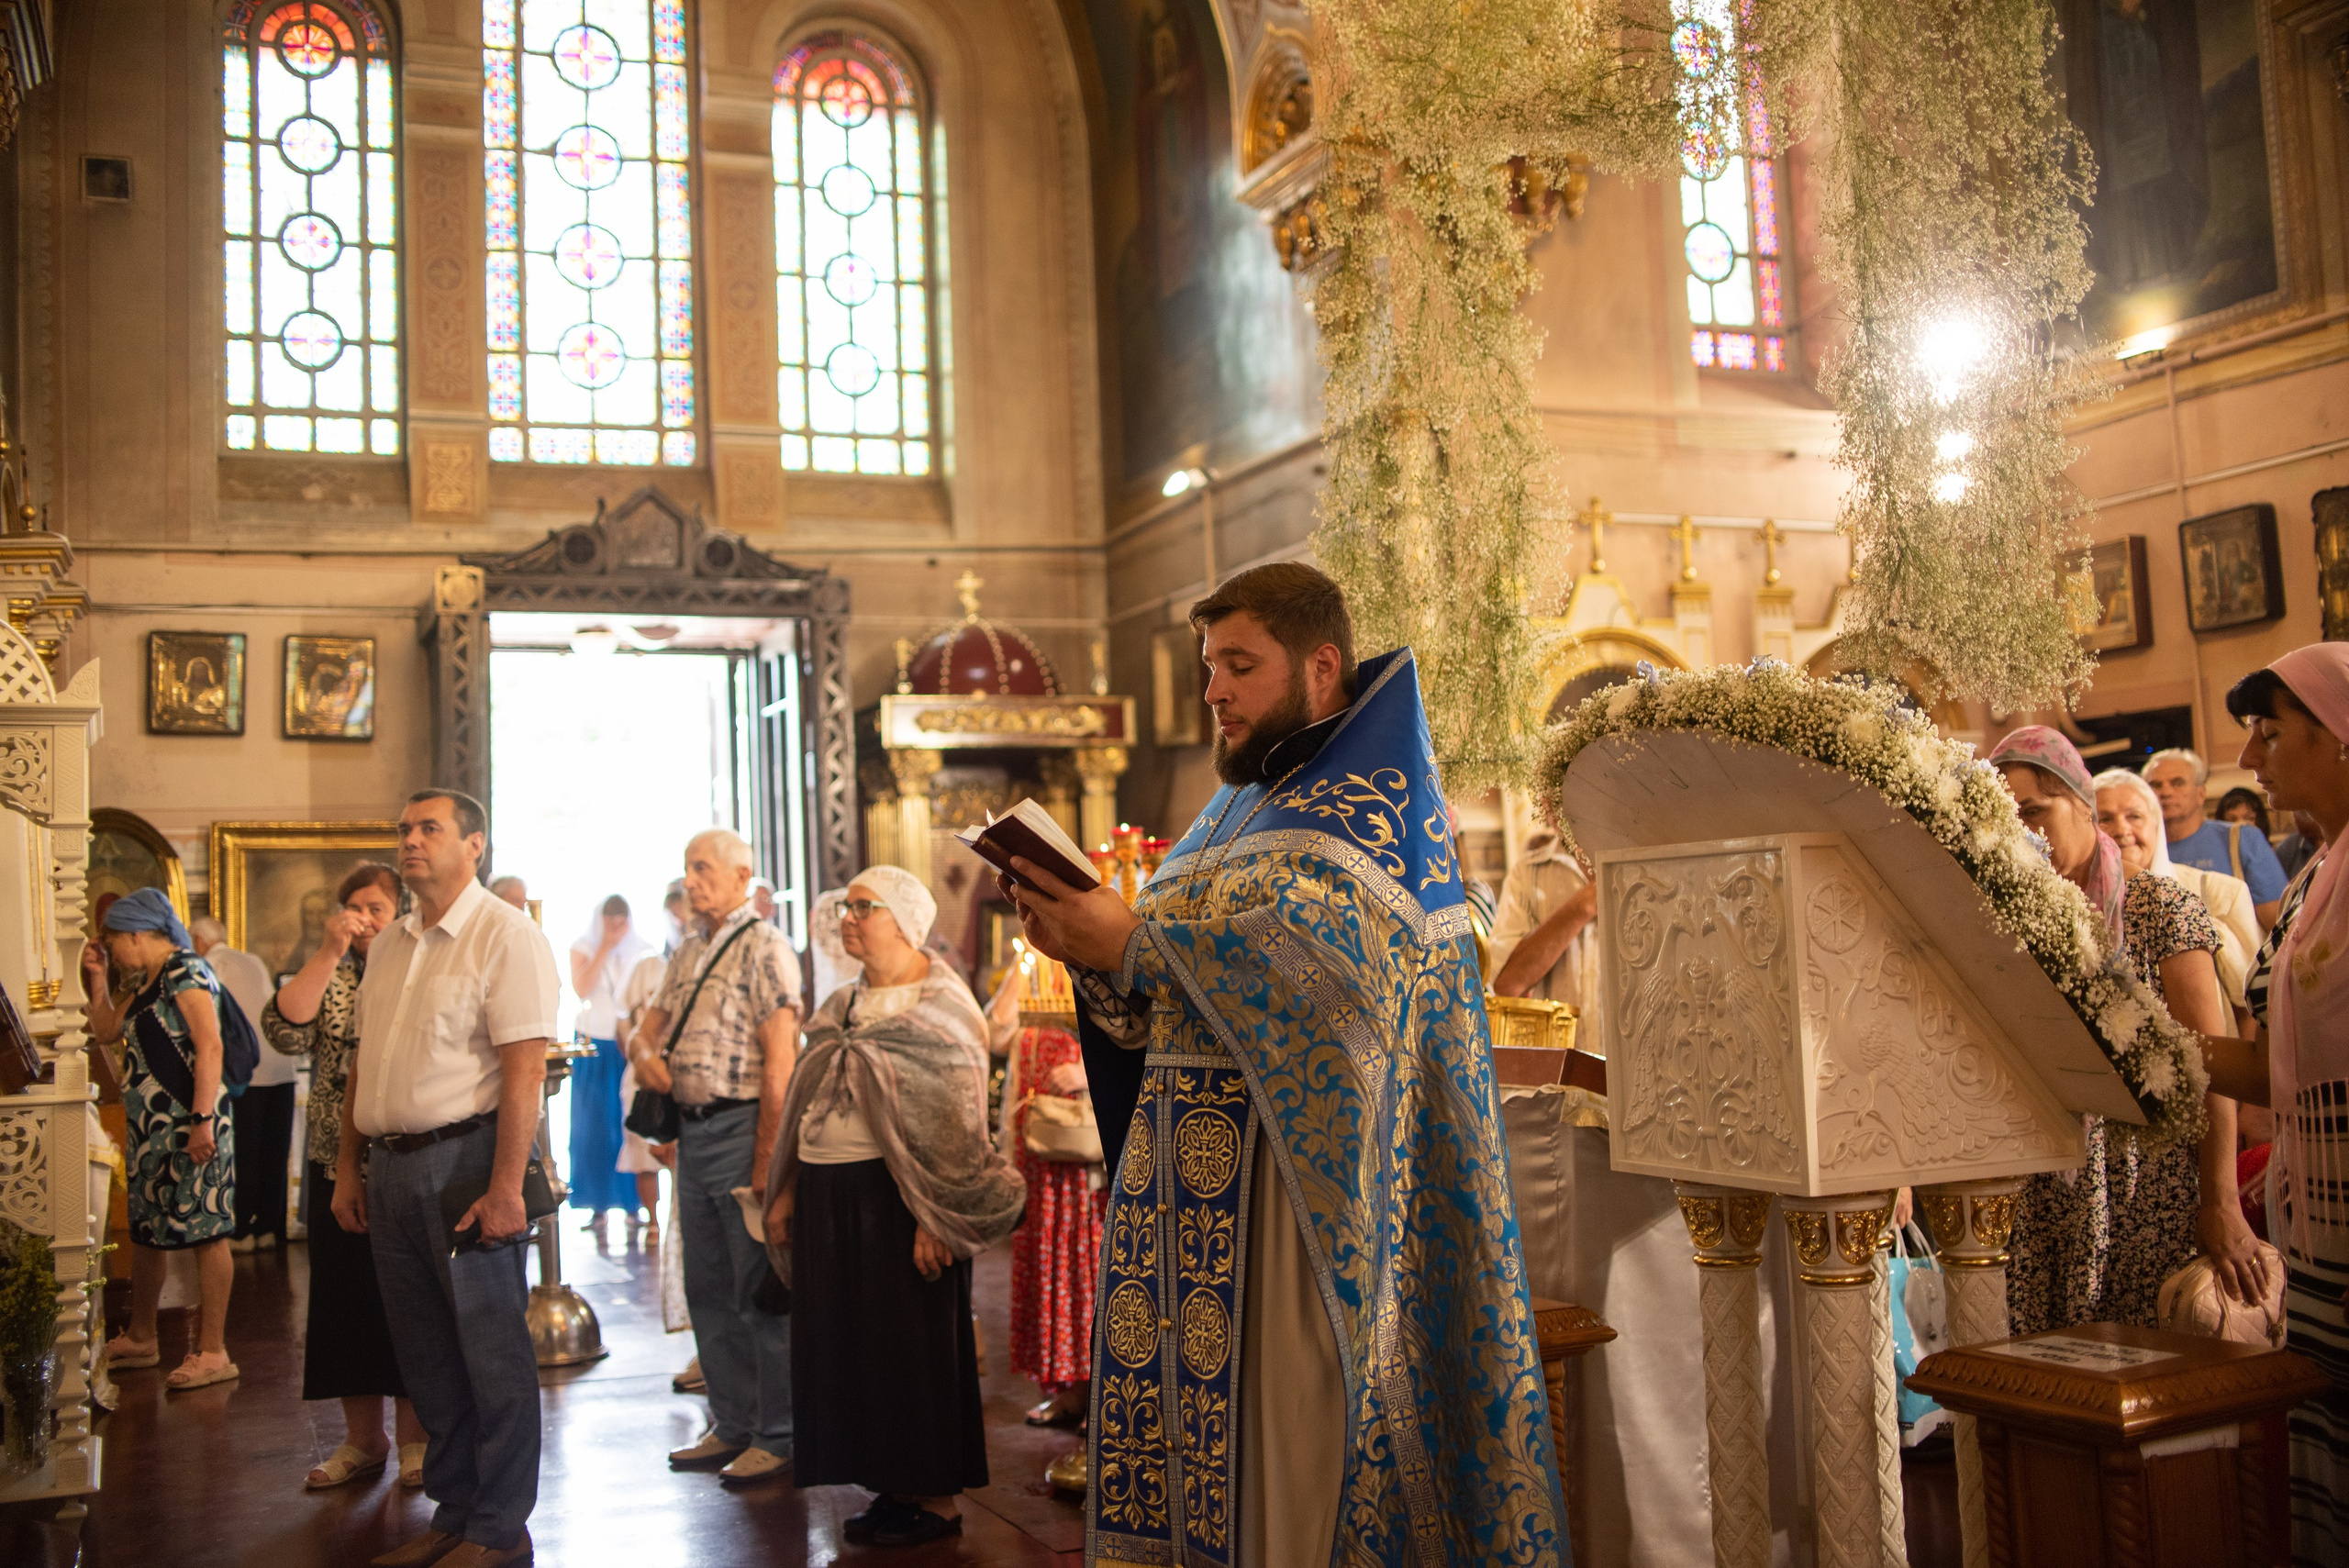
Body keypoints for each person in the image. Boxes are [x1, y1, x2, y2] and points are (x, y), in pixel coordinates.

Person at [1003, 562, 1565, 1564]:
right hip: (1200, 1207)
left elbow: (1335, 984)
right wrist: (1090, 949)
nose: (1213, 689)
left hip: (1305, 1217)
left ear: (1320, 663)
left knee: (1289, 1470)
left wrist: (1131, 944)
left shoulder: (1379, 805)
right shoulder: (1238, 809)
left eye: (1238, 664)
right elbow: (1169, 977)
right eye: (1208, 664)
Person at [763, 866, 1023, 1547]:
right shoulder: (842, 1003)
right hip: (829, 1193)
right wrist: (786, 1186)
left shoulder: (943, 1006)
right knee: (853, 1349)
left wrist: (936, 1217)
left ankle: (934, 1497)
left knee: (909, 1349)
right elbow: (808, 1101)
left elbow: (962, 1126)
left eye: (863, 907)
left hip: (903, 1201)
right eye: (844, 906)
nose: (847, 918)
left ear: (905, 919)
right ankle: (890, 1486)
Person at [338, 789, 558, 1568]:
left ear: (475, 844)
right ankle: (453, 1512)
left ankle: (498, 1528)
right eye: (403, 828)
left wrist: (504, 1189)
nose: (410, 841)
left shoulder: (505, 936)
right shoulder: (392, 942)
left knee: (491, 1355)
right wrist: (347, 1166)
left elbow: (523, 1067)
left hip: (467, 1163)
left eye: (429, 828)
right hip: (390, 1165)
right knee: (427, 1357)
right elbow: (363, 1062)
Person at [1988, 729, 2263, 1336]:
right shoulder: (2017, 921)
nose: (2022, 830)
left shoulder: (2158, 906)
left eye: (2034, 809)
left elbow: (2208, 1069)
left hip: (2150, 1189)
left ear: (2083, 802)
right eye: (2004, 817)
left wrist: (2220, 1199)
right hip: (2047, 1194)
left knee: (2150, 1377)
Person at [629, 828, 802, 1486]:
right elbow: (644, 1031)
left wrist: (767, 1163)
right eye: (687, 869)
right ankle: (731, 1420)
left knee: (756, 1285)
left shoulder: (764, 945)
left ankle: (779, 1431)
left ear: (742, 875)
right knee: (706, 1285)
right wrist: (647, 1060)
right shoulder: (689, 947)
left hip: (741, 1128)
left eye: (703, 868)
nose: (691, 880)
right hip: (694, 1135)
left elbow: (780, 1063)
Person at [262, 862, 427, 1491]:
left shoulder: (413, 968)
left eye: (376, 907)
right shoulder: (334, 973)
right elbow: (282, 1028)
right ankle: (364, 1439)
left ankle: (416, 1438)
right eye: (354, 906)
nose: (364, 918)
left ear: (400, 911)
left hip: (401, 1155)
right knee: (342, 1302)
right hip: (336, 1161)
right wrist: (330, 950)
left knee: (404, 1302)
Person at [83, 889, 240, 1391]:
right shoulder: (146, 980)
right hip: (153, 1134)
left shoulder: (187, 970)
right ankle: (142, 1336)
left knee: (206, 1232)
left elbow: (209, 1045)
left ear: (136, 933)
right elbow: (107, 1029)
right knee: (149, 1233)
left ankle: (214, 1351)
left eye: (113, 943)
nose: (113, 951)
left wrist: (200, 1120)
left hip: (191, 1126)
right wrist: (95, 980)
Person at [991, 959, 1097, 1431]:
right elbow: (993, 1037)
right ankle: (1064, 1389)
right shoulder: (1031, 970)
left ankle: (1099, 1390)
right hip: (1033, 1153)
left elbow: (1145, 1037)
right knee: (1044, 1260)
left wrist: (1086, 1072)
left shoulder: (1096, 952)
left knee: (1082, 1264)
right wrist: (1021, 967)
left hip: (1082, 1154)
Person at [2094, 768, 2260, 1028]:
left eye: (2134, 816)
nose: (2120, 829)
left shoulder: (2221, 893)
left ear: (2156, 824)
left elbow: (2253, 1007)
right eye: (2105, 819)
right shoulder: (2079, 905)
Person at [191, 915, 293, 1252]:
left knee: (244, 1153)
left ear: (199, 941)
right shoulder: (251, 959)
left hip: (247, 1074)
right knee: (274, 1152)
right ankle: (268, 1229)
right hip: (282, 1069)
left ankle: (241, 1231)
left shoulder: (206, 965)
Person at [568, 895, 652, 1231]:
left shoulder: (642, 949)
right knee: (593, 1127)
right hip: (593, 1040)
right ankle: (596, 1203)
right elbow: (581, 988)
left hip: (626, 1044)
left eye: (621, 920)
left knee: (629, 1125)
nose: (616, 927)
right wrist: (604, 947)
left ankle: (636, 1205)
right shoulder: (584, 946)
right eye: (610, 920)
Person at [2147, 746, 2288, 927]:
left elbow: (2279, 925)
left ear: (2201, 794)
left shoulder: (2242, 839)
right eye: (2156, 785)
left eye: (2177, 783)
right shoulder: (2137, 851)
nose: (2165, 792)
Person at [1487, 825, 1599, 1004]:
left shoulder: (1646, 856)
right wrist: (1581, 907)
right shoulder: (1526, 873)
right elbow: (1505, 984)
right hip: (1565, 1030)